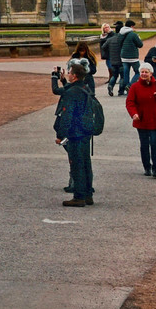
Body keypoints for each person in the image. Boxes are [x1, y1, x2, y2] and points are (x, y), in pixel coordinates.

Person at [52, 62, 99, 206]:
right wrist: (60, 79)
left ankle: (79, 196)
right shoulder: (85, 88)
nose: (68, 74)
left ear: (75, 76)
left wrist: (60, 135)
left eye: (70, 73)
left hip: (75, 132)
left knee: (76, 164)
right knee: (85, 163)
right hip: (85, 131)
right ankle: (87, 194)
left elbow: (67, 115)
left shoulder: (72, 92)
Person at [126, 64, 156, 178]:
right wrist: (134, 113)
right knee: (144, 144)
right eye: (142, 72)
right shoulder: (135, 87)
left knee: (155, 143)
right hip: (141, 120)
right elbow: (130, 102)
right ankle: (147, 167)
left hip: (155, 119)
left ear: (151, 73)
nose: (144, 74)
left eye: (146, 72)